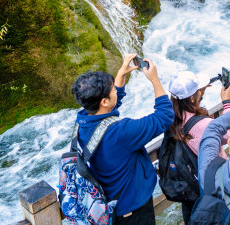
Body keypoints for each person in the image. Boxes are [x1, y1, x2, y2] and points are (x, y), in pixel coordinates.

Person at [71, 54, 174, 225]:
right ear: (104, 101)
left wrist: (121, 75)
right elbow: (165, 116)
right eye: (113, 89)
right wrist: (155, 80)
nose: (115, 92)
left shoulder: (82, 120)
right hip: (133, 211)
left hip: (112, 206)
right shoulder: (121, 132)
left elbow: (109, 107)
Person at [164, 71, 230, 222]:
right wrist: (227, 103)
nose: (201, 93)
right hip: (211, 185)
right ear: (192, 97)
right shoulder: (203, 125)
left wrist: (202, 88)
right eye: (199, 91)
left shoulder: (170, 116)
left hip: (190, 185)